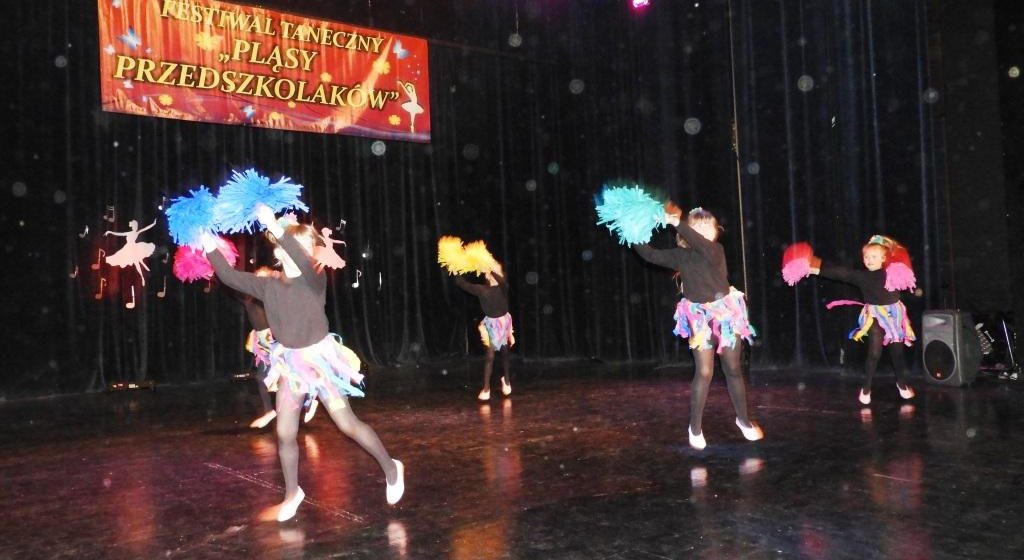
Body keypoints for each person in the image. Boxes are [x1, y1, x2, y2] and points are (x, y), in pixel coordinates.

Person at [202, 205, 403, 522]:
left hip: (320, 361)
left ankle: (392, 468)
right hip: (291, 364)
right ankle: (292, 492)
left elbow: (300, 257)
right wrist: (208, 245)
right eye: (302, 245)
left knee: (347, 424)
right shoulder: (267, 286)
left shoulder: (314, 278)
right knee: (284, 432)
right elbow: (228, 276)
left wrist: (275, 225)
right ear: (278, 251)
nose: (308, 251)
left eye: (308, 247)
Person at [634, 208, 763, 450]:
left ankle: (743, 420)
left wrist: (676, 222)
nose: (703, 231)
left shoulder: (715, 250)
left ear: (715, 232)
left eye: (708, 226)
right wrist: (633, 232)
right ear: (687, 233)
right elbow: (650, 255)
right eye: (697, 227)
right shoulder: (681, 256)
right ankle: (694, 427)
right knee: (704, 372)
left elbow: (701, 244)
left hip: (725, 315)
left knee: (733, 368)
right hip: (699, 319)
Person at [807, 235, 917, 405]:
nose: (869, 260)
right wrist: (814, 269)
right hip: (874, 315)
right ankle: (866, 388)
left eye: (873, 256)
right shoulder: (862, 276)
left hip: (894, 315)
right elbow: (840, 273)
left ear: (883, 258)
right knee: (874, 353)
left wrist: (882, 240)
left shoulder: (893, 272)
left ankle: (901, 384)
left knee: (897, 353)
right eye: (866, 257)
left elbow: (899, 252)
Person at [455, 264, 514, 401]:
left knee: (505, 352)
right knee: (490, 356)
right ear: (486, 277)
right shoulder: (482, 290)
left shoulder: (502, 287)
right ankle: (486, 389)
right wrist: (456, 271)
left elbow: (501, 280)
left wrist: (490, 269)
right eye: (489, 274)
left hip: (504, 321)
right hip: (492, 324)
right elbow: (463, 285)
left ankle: (506, 381)